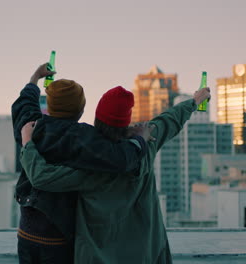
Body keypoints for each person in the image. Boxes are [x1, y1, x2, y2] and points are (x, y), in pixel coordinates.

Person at [20, 86, 211, 263]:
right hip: (145, 252)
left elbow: (42, 176)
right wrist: (193, 102)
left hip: (98, 256)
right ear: (126, 121)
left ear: (96, 120)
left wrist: (27, 142)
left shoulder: (89, 166)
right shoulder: (147, 141)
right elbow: (169, 120)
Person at [12, 63, 154, 263]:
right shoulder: (83, 137)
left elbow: (24, 104)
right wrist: (140, 138)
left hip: (26, 233)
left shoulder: (31, 127)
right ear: (80, 110)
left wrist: (35, 77)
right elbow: (121, 159)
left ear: (50, 106)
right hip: (59, 237)